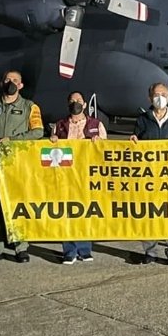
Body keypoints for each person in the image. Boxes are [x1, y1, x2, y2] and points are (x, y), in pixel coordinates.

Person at [0, 69, 44, 263]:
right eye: (7, 80)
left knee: (19, 204)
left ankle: (20, 246)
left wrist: (12, 140)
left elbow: (38, 131)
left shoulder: (30, 107)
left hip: (18, 163)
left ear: (21, 85)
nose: (11, 83)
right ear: (1, 83)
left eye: (15, 80)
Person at [131, 82, 168, 264]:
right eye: (156, 95)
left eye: (163, 94)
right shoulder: (142, 120)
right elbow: (136, 142)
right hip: (149, 176)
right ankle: (150, 251)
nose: (160, 98)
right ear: (150, 98)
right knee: (148, 213)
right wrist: (132, 140)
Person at [50, 91, 107, 264]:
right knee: (67, 211)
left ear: (85, 104)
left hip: (86, 175)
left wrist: (99, 142)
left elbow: (106, 150)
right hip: (66, 175)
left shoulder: (96, 124)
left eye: (79, 101)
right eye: (72, 101)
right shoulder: (59, 125)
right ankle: (69, 250)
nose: (75, 103)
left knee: (85, 210)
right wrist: (52, 140)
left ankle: (85, 248)